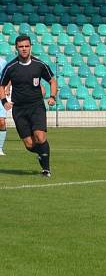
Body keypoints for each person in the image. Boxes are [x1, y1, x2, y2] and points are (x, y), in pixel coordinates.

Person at [0, 35, 57, 176]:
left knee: (40, 136)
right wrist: (4, 101)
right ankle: (43, 152)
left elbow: (52, 80)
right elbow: (1, 85)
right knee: (30, 144)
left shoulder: (39, 65)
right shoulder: (11, 67)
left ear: (30, 46)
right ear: (16, 48)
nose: (24, 49)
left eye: (26, 46)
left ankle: (46, 169)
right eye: (21, 46)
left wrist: (52, 96)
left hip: (36, 106)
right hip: (19, 109)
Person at [0, 55, 7, 156]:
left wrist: (6, 88)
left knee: (1, 122)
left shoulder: (3, 62)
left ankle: (0, 148)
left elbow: (7, 77)